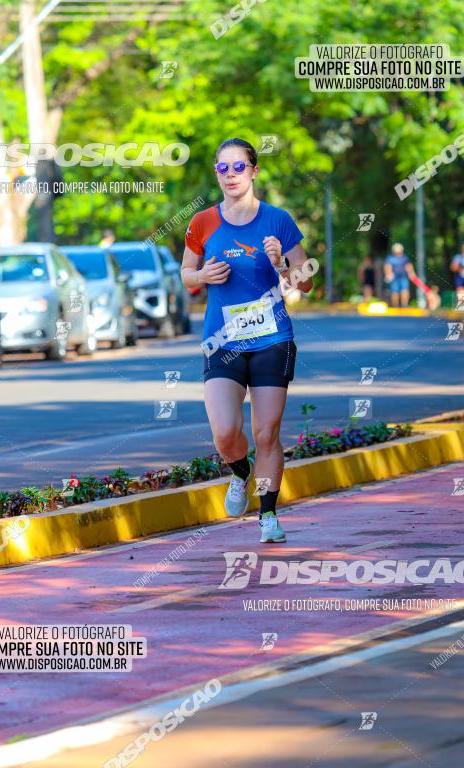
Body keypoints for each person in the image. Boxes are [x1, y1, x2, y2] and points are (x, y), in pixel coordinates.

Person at [180, 137, 312, 543]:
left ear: (254, 171)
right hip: (223, 341)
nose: (231, 175)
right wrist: (201, 278)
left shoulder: (277, 220)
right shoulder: (203, 222)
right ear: (216, 174)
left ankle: (267, 515)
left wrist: (282, 262)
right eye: (223, 168)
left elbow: (304, 283)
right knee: (225, 432)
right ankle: (239, 471)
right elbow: (186, 274)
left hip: (272, 339)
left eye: (239, 167)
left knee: (266, 433)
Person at [384, 243, 413, 307]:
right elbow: (387, 267)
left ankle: (404, 305)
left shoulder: (405, 258)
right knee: (395, 292)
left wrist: (411, 274)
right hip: (394, 278)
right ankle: (395, 306)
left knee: (405, 290)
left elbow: (408, 266)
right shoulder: (390, 258)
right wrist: (388, 274)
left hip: (403, 277)